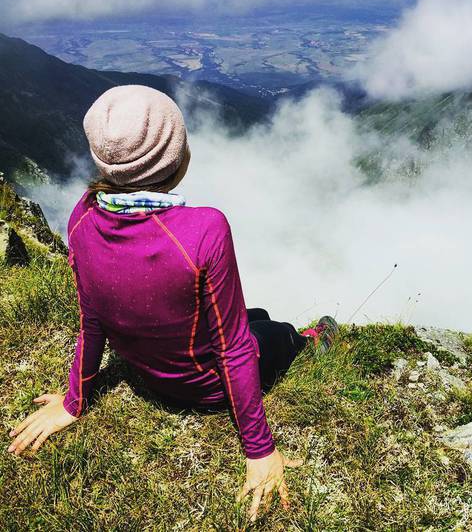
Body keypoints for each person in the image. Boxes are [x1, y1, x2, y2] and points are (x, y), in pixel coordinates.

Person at [7, 84, 339, 522]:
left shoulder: (83, 216)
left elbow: (92, 319)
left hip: (150, 371)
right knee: (275, 333)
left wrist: (74, 401)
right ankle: (314, 340)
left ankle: (274, 326)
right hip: (207, 388)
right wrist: (259, 450)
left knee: (255, 315)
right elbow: (233, 348)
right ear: (175, 158)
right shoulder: (205, 229)